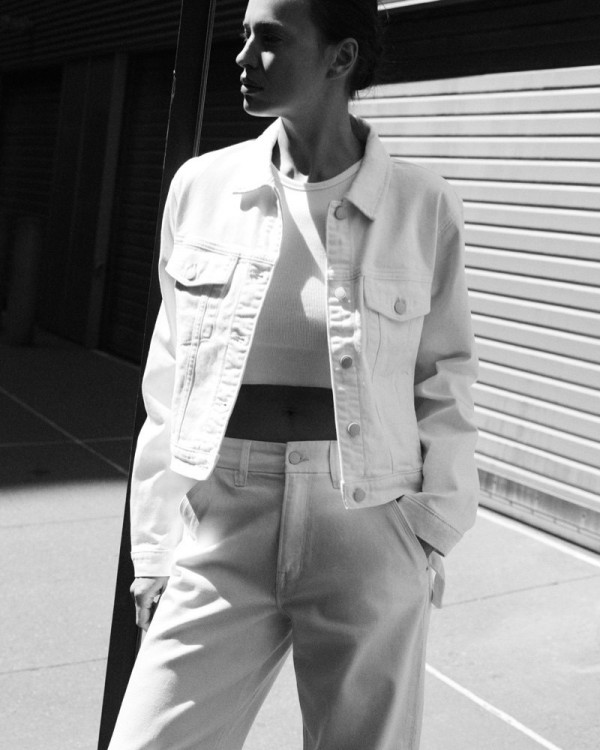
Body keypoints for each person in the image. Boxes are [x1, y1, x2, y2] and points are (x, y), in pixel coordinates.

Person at [108, 0, 479, 747]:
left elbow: (445, 374)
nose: (243, 56)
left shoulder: (421, 204)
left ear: (342, 57)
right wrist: (154, 545)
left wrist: (428, 530)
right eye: (244, 35)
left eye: (270, 39)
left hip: (367, 523)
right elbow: (170, 374)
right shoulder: (201, 187)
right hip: (222, 515)